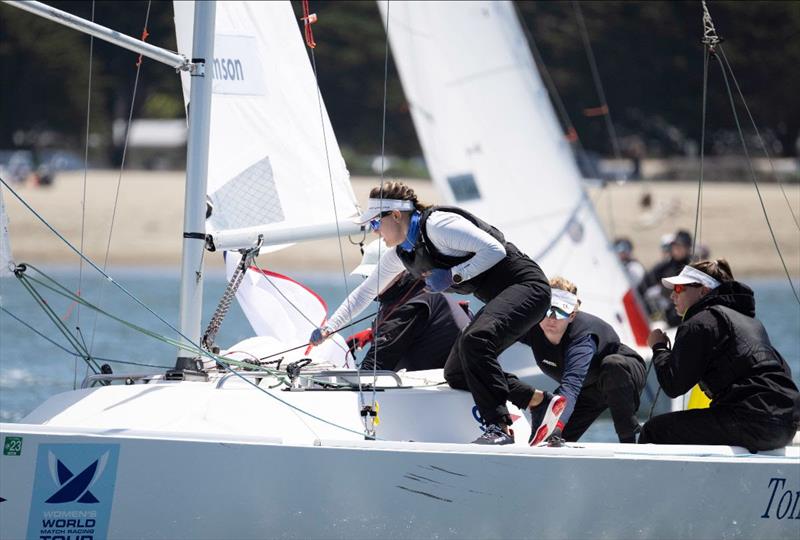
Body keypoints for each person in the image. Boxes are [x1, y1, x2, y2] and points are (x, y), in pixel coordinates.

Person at [310, 181, 561, 445]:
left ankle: (498, 427)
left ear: (396, 215)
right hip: (502, 296)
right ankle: (537, 401)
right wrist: (329, 328)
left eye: (375, 223)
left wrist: (452, 275)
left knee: (476, 340)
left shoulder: (438, 226)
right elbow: (364, 292)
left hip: (528, 287)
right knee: (455, 372)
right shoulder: (400, 255)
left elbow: (494, 250)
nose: (375, 232)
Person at [640, 259, 800, 451]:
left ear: (704, 291)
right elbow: (783, 370)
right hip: (786, 423)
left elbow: (673, 385)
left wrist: (659, 348)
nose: (673, 295)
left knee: (653, 431)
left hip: (751, 420)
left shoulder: (700, 321)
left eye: (680, 288)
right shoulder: (751, 322)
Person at [519, 277, 646, 444]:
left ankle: (629, 439)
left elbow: (570, 387)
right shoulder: (532, 327)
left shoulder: (581, 338)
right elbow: (496, 329)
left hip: (621, 373)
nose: (552, 318)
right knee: (544, 440)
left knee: (612, 365)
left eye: (561, 311)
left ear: (572, 315)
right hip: (587, 389)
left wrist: (557, 426)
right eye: (548, 310)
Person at [344, 240, 470, 372]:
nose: (370, 283)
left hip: (453, 386)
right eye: (367, 277)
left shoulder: (410, 304)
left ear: (397, 273)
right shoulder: (417, 287)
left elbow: (373, 369)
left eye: (377, 277)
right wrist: (372, 333)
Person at [638, 229, 693, 325]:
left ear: (687, 248)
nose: (676, 249)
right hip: (669, 315)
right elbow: (642, 287)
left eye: (680, 246)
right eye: (674, 246)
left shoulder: (694, 268)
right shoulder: (664, 267)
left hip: (691, 314)